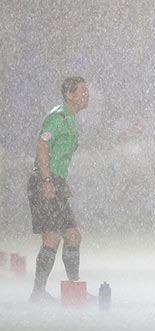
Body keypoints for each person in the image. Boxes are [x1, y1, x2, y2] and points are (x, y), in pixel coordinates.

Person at [27, 76, 90, 302]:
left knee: (73, 236)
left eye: (87, 90)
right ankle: (38, 293)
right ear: (69, 95)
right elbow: (42, 146)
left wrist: (62, 182)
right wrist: (46, 181)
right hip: (43, 182)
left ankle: (74, 289)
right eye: (82, 90)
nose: (87, 94)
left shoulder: (72, 120)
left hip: (56, 181)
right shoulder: (59, 116)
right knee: (51, 238)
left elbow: (58, 156)